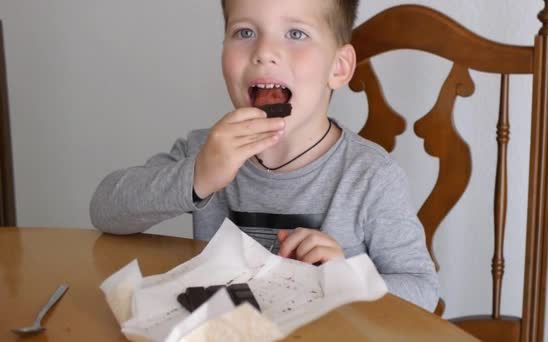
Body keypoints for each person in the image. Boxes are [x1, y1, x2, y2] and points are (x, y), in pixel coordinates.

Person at [90, 0, 439, 312]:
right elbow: (106, 210)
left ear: (339, 67)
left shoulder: (371, 176)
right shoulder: (204, 152)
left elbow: (422, 290)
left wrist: (348, 280)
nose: (264, 51)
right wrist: (198, 176)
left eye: (296, 33)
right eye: (244, 31)